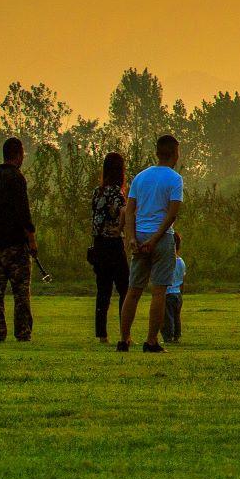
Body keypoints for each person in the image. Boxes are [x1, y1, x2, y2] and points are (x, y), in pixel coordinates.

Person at [118, 133, 183, 354]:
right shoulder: (175, 179)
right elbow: (172, 214)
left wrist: (132, 238)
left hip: (140, 235)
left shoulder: (140, 177)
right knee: (159, 292)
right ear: (175, 153)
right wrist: (155, 239)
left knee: (133, 290)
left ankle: (124, 339)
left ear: (157, 152)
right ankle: (151, 341)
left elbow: (129, 211)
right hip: (161, 239)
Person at [0, 137, 38, 342]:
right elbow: (24, 212)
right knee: (21, 293)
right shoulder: (18, 179)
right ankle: (22, 333)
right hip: (15, 245)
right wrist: (31, 239)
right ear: (19, 155)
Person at [87, 152, 129, 342]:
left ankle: (101, 334)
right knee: (125, 289)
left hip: (98, 244)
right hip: (113, 243)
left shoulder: (98, 191)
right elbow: (121, 215)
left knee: (103, 290)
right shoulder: (117, 193)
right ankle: (124, 333)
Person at [163, 250, 186, 343]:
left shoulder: (167, 262)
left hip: (168, 292)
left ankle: (168, 337)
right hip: (178, 292)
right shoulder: (181, 261)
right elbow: (183, 278)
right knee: (176, 316)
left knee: (168, 317)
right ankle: (177, 335)